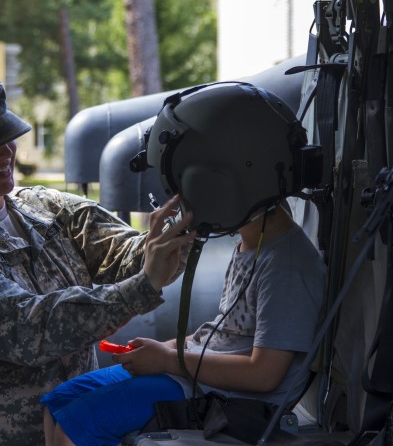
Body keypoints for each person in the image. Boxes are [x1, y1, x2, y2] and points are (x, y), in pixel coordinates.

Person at [0, 64, 195, 446]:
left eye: (6, 136)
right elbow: (31, 331)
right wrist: (143, 286)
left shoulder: (46, 208)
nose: (6, 151)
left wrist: (185, 226)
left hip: (67, 430)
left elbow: (128, 255)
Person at [41, 82, 327, 446]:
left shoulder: (286, 265)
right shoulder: (252, 240)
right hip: (197, 377)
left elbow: (265, 376)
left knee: (74, 427)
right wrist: (166, 349)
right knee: (59, 403)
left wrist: (169, 359)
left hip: (231, 402)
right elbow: (229, 337)